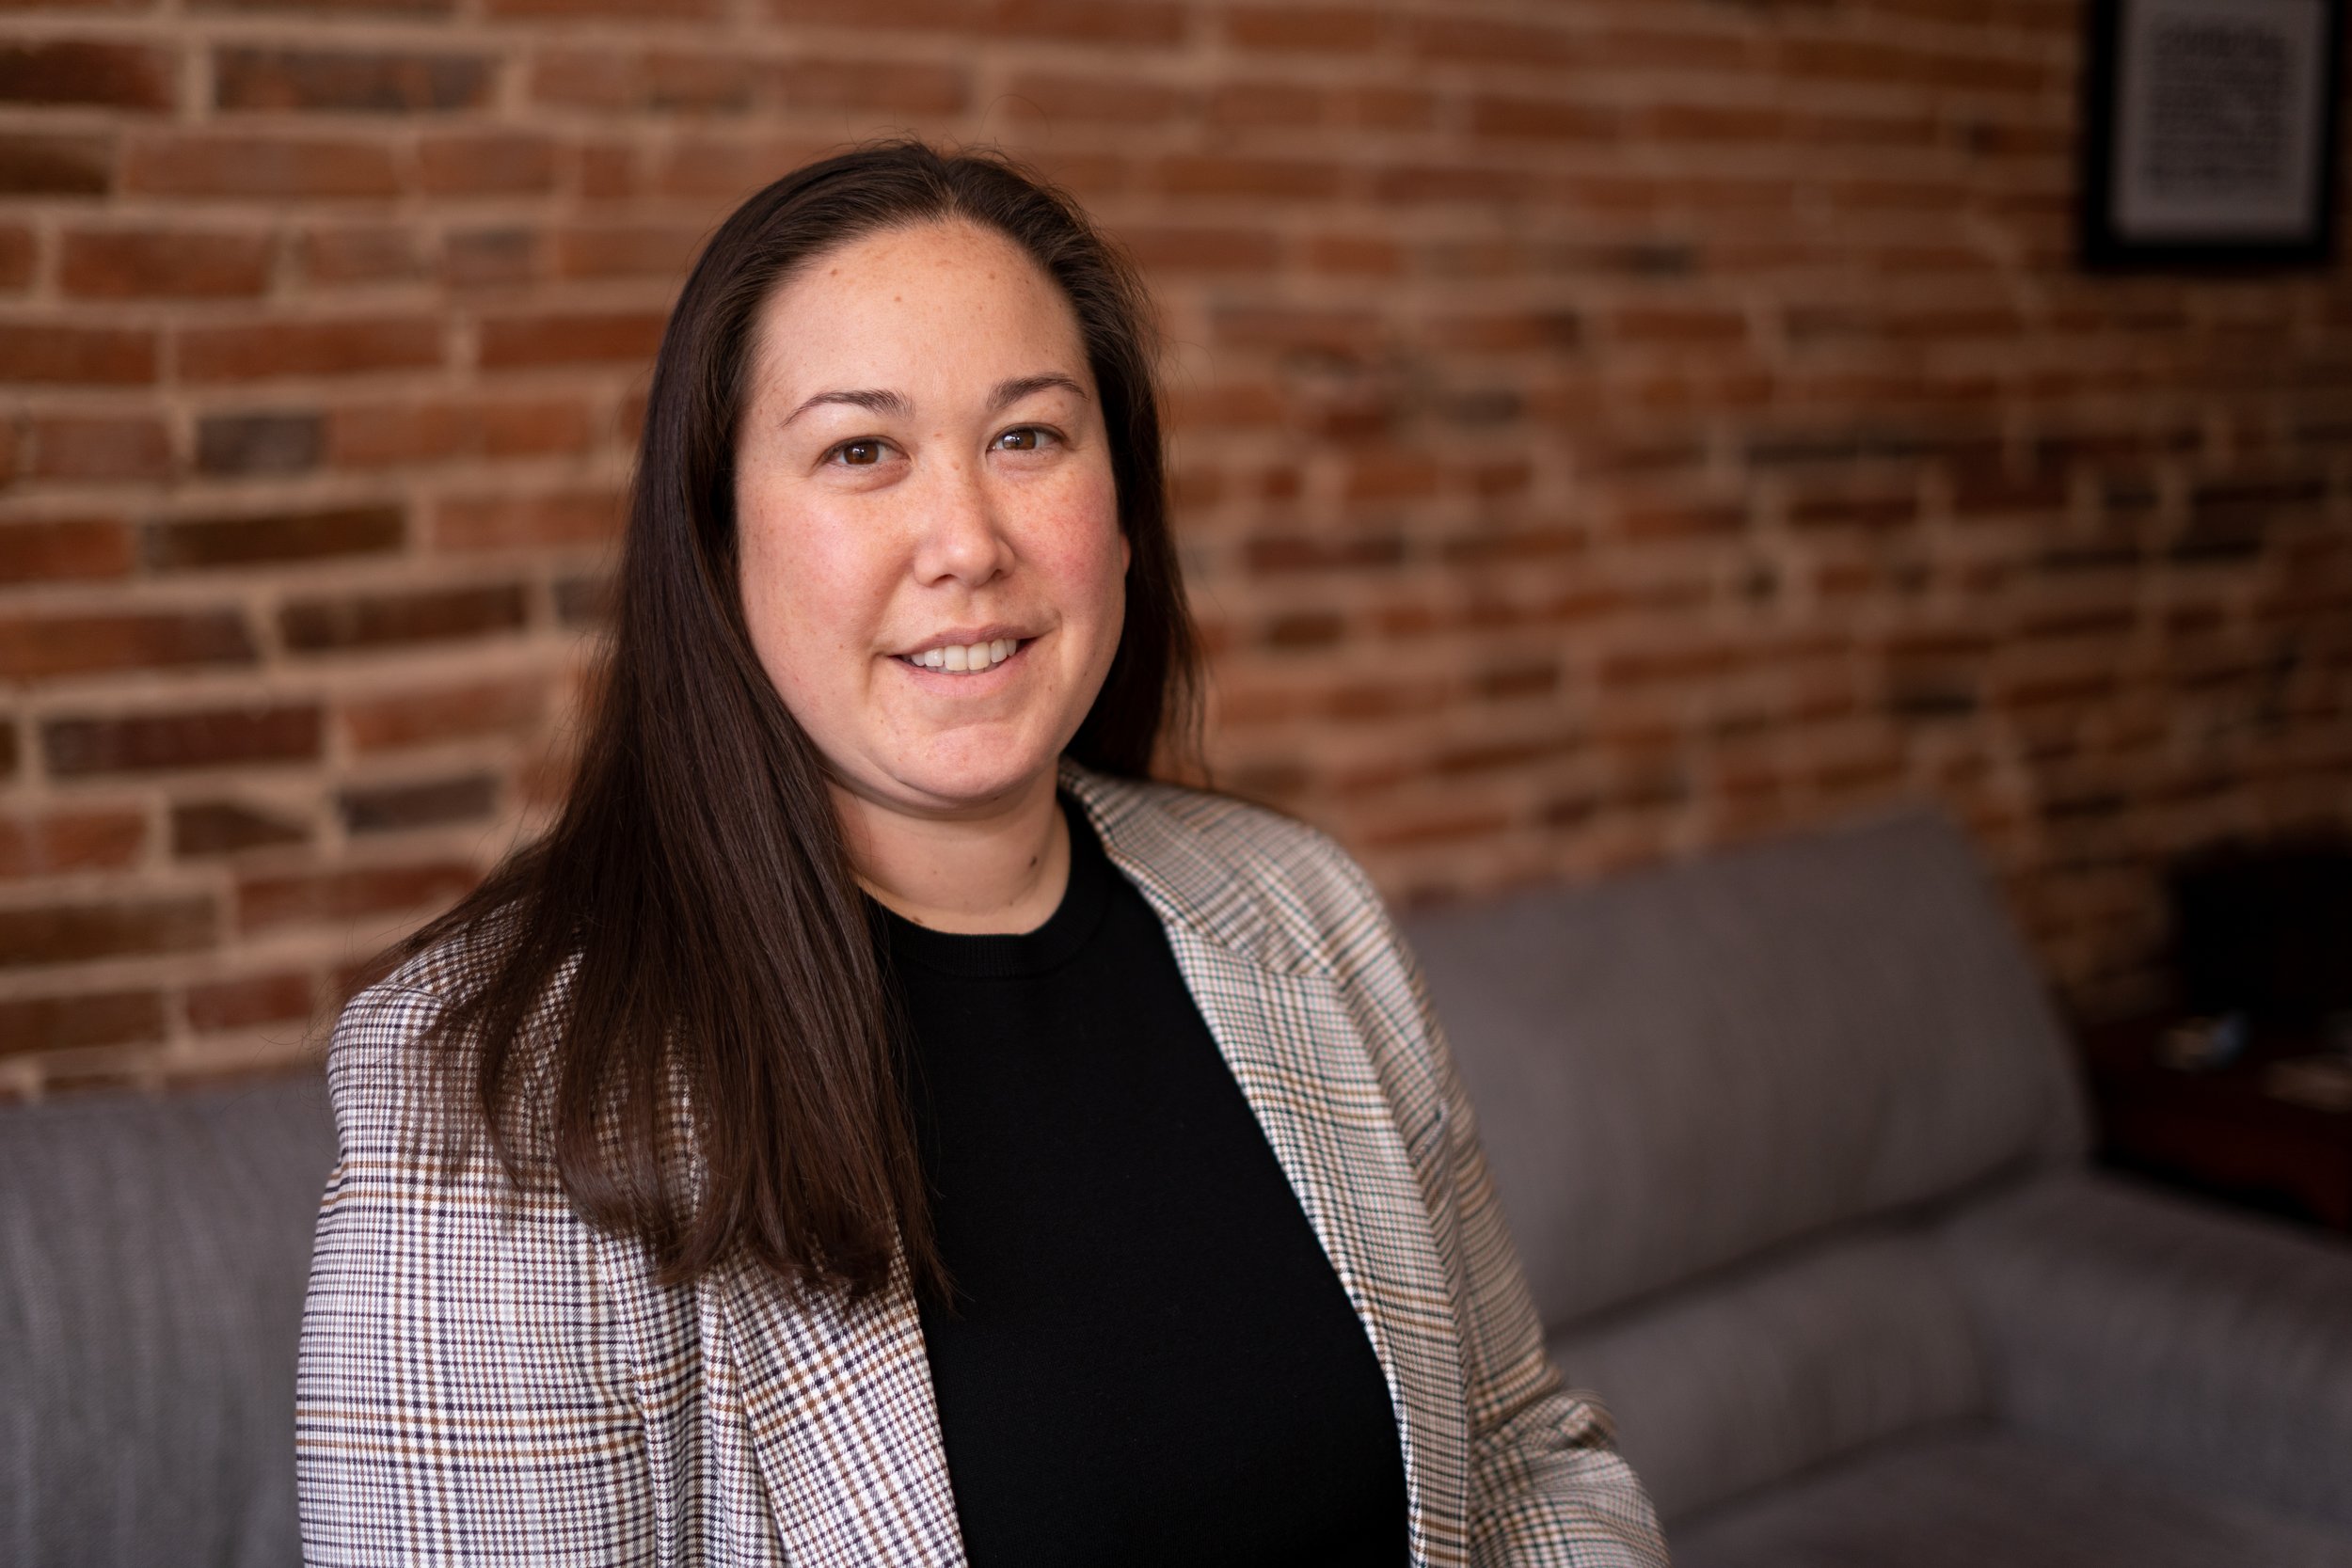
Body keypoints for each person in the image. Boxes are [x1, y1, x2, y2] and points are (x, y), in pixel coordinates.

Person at [294, 140, 1666, 1568]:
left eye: (1027, 437)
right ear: (716, 544)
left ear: (1122, 519)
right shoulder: (508, 1089)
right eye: (861, 451)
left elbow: (1521, 1458)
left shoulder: (1301, 909)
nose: (967, 541)